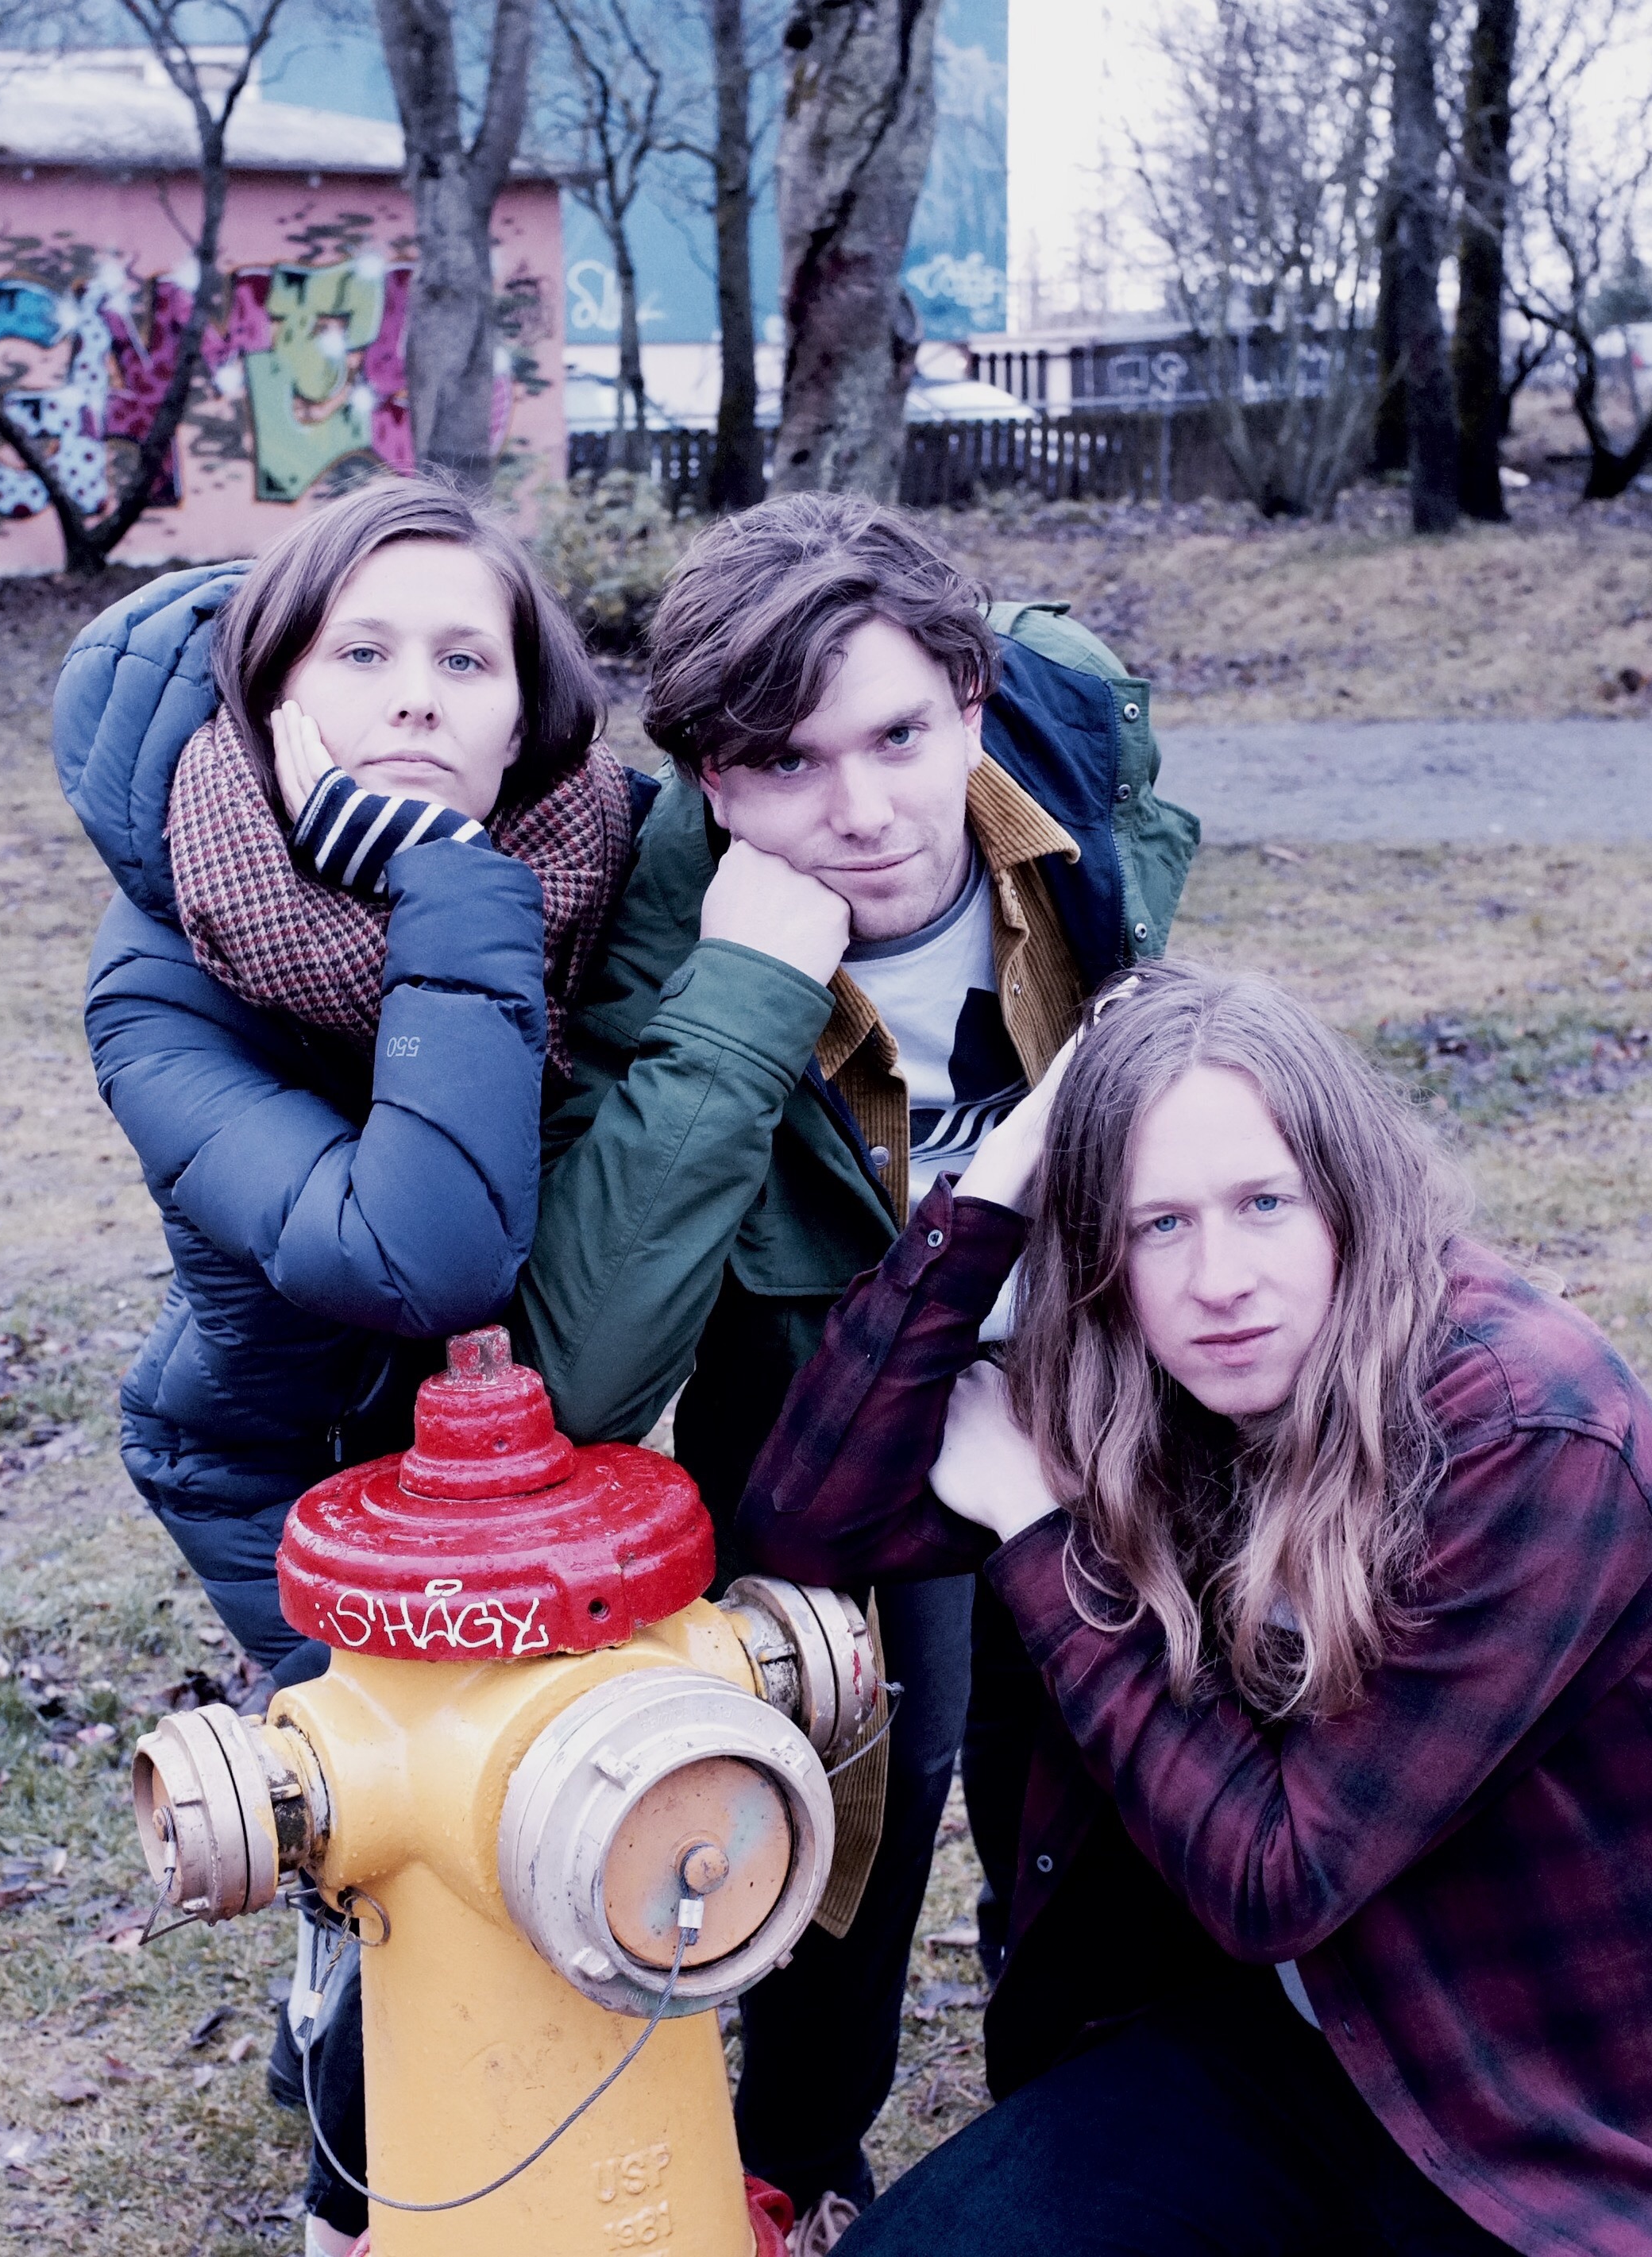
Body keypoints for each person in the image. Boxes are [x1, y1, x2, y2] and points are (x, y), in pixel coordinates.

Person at [734, 961, 1652, 2256]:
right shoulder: (1134, 1382)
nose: (1218, 1281)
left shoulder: (1526, 1435)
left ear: (1346, 1200)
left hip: (1557, 2118)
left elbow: (1277, 1877)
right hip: (1281, 2049)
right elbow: (808, 1518)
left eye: (1261, 1204)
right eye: (1156, 1226)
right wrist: (993, 1184)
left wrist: (1037, 1536)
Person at [513, 491, 1197, 2215]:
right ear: (706, 781)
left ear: (967, 698)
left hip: (1090, 1374)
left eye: (898, 734)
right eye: (786, 764)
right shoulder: (657, 918)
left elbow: (1147, 929)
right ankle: (794, 2162)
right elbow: (587, 1369)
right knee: (848, 1793)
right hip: (827, 1402)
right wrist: (746, 995)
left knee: (1130, 1767)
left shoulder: (1065, 739)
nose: (866, 809)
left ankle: (1094, 2125)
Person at [53, 475, 639, 2253]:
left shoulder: (603, 866)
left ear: (529, 709)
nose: (413, 695)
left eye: (465, 657)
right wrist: (452, 893)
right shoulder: (159, 980)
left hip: (522, 1460)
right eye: (361, 649)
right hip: (288, 1471)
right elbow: (421, 1249)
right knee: (421, 1853)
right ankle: (352, 2206)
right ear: (269, 688)